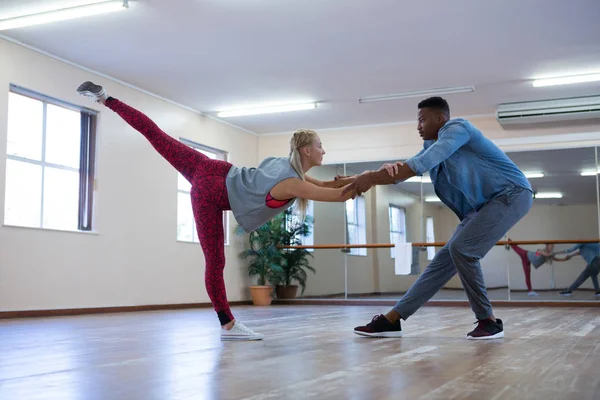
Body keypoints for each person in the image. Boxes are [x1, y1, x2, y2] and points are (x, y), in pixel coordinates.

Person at [76, 81, 358, 341]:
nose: (324, 150)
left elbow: (327, 184)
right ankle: (228, 326)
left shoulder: (284, 165)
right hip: (211, 193)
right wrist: (374, 178)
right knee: (215, 262)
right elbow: (340, 196)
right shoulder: (293, 183)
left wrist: (368, 176)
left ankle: (105, 98)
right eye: (320, 146)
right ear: (307, 150)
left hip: (209, 168)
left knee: (156, 135)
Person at [345, 96, 533, 340]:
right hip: (480, 207)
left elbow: (421, 164)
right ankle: (393, 319)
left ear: (440, 118)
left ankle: (488, 321)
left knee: (463, 249)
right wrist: (369, 176)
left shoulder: (458, 128)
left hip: (512, 194)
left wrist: (371, 177)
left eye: (422, 120)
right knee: (443, 260)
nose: (418, 126)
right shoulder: (430, 146)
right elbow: (406, 170)